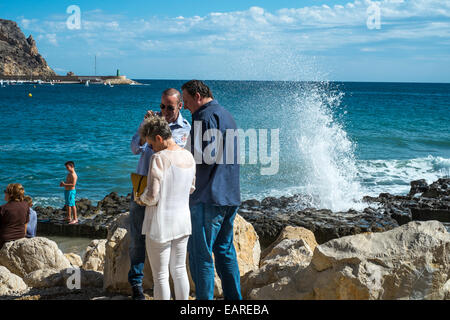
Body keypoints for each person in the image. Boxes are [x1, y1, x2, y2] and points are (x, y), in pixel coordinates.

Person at [181, 80, 242, 300]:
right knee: (225, 252)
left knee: (201, 256)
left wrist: (178, 154)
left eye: (186, 101)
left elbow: (205, 157)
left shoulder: (203, 117)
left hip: (208, 197)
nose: (185, 106)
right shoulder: (227, 115)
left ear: (197, 96)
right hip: (230, 195)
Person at [128, 88, 191, 300]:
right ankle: (136, 283)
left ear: (180, 106)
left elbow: (175, 159)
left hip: (165, 194)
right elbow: (135, 148)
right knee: (137, 236)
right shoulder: (152, 124)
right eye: (162, 106)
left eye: (169, 107)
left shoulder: (185, 129)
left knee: (163, 271)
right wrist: (145, 129)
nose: (164, 111)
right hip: (143, 183)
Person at [138, 116, 195, 300]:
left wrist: (140, 198)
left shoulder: (158, 158)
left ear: (159, 139)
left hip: (160, 222)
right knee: (179, 271)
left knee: (160, 276)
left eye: (151, 143)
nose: (151, 148)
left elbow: (152, 196)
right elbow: (191, 188)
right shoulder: (189, 156)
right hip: (183, 220)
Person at [0, 183, 30, 249]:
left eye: (5, 191)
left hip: (4, 241)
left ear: (11, 194)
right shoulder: (26, 205)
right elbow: (25, 223)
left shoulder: (3, 208)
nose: (4, 193)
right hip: (20, 238)